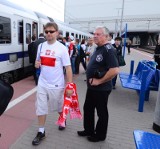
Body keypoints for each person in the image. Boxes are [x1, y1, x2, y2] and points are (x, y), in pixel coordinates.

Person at [32, 22, 73, 146]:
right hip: (42, 83)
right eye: (47, 32)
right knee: (41, 107)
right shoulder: (41, 46)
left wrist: (69, 86)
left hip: (57, 85)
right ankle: (41, 131)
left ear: (57, 32)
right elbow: (37, 61)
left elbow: (68, 68)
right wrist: (36, 64)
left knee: (59, 108)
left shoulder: (62, 48)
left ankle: (63, 118)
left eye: (51, 31)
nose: (49, 34)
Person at [77, 26, 119, 142]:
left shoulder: (109, 50)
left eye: (98, 34)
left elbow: (115, 70)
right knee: (88, 108)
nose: (95, 36)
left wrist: (99, 81)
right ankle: (89, 130)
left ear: (106, 36)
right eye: (94, 34)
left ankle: (100, 135)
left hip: (101, 88)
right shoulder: (98, 48)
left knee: (101, 112)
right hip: (92, 87)